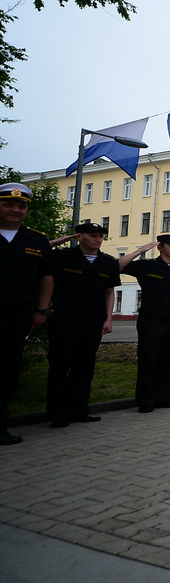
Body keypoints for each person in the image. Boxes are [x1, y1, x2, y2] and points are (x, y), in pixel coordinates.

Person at [45, 222, 119, 427]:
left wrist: (108, 318)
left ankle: (79, 409)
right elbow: (38, 255)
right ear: (79, 236)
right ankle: (58, 412)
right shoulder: (62, 257)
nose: (97, 239)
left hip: (93, 319)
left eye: (100, 236)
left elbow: (109, 291)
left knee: (85, 366)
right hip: (65, 317)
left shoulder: (108, 262)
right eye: (92, 235)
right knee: (60, 365)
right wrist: (54, 242)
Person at [0, 182, 53, 445]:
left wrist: (41, 310)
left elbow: (46, 278)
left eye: (21, 206)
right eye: (9, 204)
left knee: (8, 371)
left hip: (16, 317)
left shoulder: (36, 240)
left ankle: (1, 426)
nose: (15, 210)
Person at [120, 233, 170, 412]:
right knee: (148, 361)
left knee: (169, 362)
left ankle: (163, 398)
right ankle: (145, 401)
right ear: (160, 247)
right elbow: (119, 267)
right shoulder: (147, 266)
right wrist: (141, 251)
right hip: (151, 321)